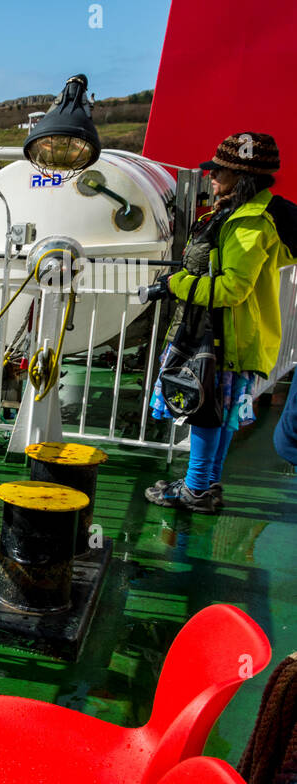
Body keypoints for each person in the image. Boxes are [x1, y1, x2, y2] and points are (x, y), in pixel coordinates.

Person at [146, 132, 294, 512]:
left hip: (223, 339)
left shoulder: (249, 224)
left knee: (206, 414)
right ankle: (205, 484)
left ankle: (196, 488)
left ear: (243, 178)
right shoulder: (238, 216)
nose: (211, 177)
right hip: (229, 336)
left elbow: (232, 289)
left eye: (220, 172)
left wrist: (176, 284)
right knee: (220, 414)